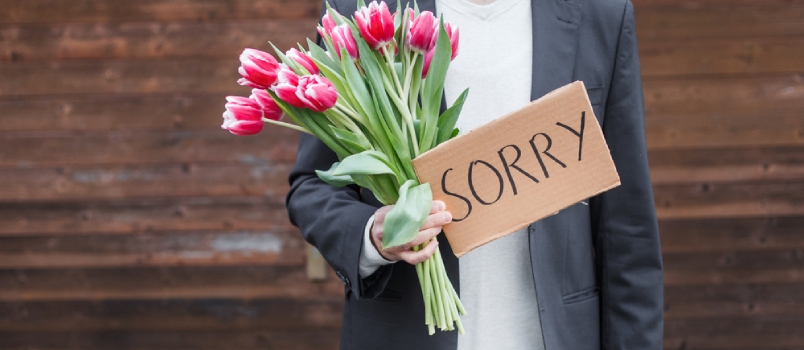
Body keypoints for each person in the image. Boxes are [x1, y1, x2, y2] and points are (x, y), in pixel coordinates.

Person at [286, 0, 663, 348]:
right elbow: (312, 186)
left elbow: (628, 229)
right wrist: (373, 233)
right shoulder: (362, 12)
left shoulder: (601, 16)